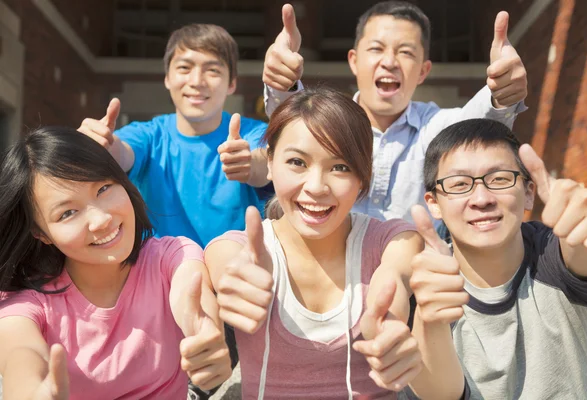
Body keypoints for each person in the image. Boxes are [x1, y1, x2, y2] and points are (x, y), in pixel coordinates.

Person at [203, 87, 467, 399]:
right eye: (297, 162)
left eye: (340, 167)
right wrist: (234, 291)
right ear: (270, 163)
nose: (316, 187)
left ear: (362, 178)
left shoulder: (393, 241)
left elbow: (391, 281)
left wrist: (385, 327)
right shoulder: (239, 248)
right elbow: (226, 263)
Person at [0, 127, 231, 399]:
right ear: (41, 234)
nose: (101, 220)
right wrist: (33, 391)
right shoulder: (27, 300)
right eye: (68, 213)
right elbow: (20, 355)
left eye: (103, 188)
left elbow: (191, 294)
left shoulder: (171, 255)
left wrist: (205, 334)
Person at [262, 2, 528, 226]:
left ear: (423, 71)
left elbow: (477, 125)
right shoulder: (329, 122)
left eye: (405, 52)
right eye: (377, 49)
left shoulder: (437, 127)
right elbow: (295, 122)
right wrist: (281, 82)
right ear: (354, 60)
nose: (389, 62)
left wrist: (502, 93)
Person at [409, 118, 587, 398]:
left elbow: (584, 254)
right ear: (434, 204)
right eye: (459, 184)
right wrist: (428, 320)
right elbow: (442, 395)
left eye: (499, 179)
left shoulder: (555, 256)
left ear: (529, 193)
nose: (482, 198)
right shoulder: (424, 285)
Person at [78, 23, 271, 248]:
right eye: (184, 68)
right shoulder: (149, 135)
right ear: (167, 78)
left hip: (236, 270)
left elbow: (266, 162)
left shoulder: (252, 133)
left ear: (232, 83)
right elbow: (121, 151)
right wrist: (101, 147)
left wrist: (250, 164)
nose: (197, 81)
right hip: (162, 273)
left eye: (213, 70)